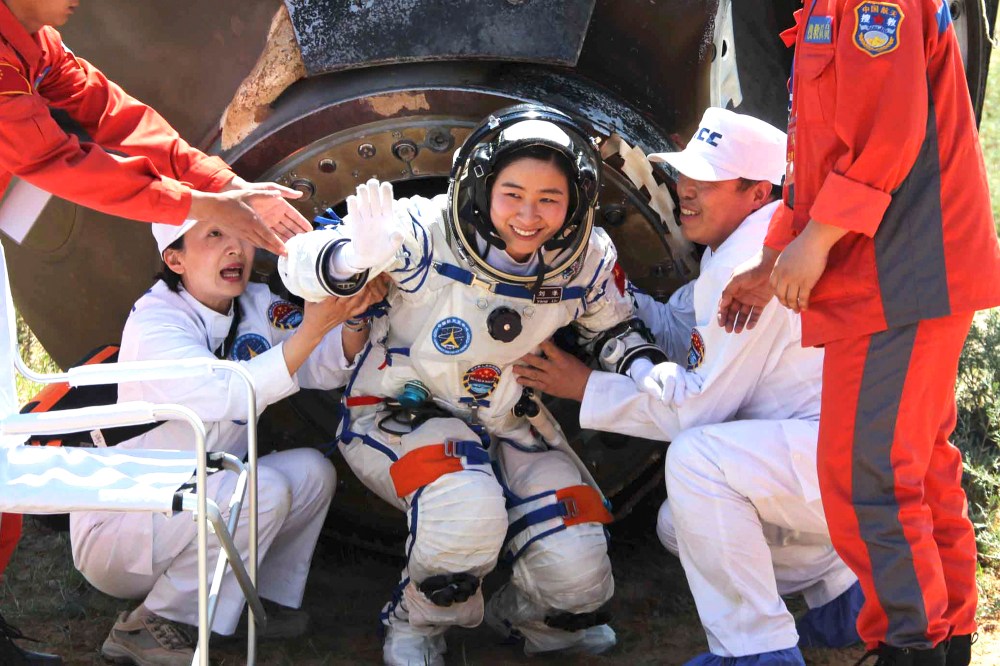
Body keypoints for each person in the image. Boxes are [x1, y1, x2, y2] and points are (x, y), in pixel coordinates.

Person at [278, 104, 668, 666]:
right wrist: (352, 256)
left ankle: (536, 622)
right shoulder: (425, 233)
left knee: (577, 561)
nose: (528, 216)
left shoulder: (584, 260)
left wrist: (646, 370)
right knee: (465, 507)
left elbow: (614, 328)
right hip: (398, 410)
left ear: (576, 200)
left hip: (507, 419)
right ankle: (417, 626)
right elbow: (298, 264)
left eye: (549, 199)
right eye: (512, 194)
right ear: (482, 186)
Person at [515, 108, 862, 666]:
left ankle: (756, 653)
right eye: (686, 174)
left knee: (696, 462)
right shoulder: (742, 243)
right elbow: (680, 326)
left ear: (758, 192)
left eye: (709, 180)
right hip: (823, 457)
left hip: (837, 465)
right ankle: (845, 591)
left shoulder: (750, 262)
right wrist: (594, 290)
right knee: (681, 523)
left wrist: (586, 387)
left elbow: (694, 412)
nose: (686, 190)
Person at [715, 3, 1000, 665]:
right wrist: (775, 256)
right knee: (915, 466)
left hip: (900, 275)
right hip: (888, 272)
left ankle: (909, 644)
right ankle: (942, 635)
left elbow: (888, 137)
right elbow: (817, 147)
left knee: (865, 472)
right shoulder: (828, 6)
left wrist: (814, 243)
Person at [68, 217, 385, 666]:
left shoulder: (256, 303)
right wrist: (314, 328)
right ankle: (152, 626)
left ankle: (252, 604)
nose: (235, 248)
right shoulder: (155, 322)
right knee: (260, 489)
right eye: (215, 235)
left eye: (241, 234)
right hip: (123, 528)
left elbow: (322, 362)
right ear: (175, 259)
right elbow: (229, 393)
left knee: (313, 474)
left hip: (201, 500)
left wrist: (353, 315)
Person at [0, 0, 311, 254]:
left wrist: (219, 183)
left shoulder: (39, 41)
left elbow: (112, 113)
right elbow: (55, 161)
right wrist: (201, 205)